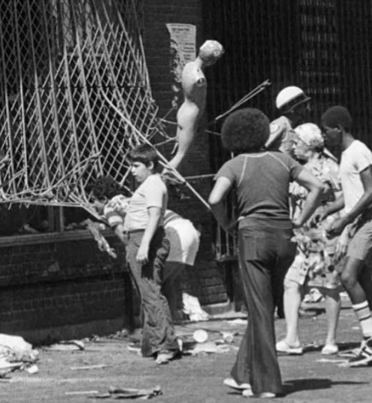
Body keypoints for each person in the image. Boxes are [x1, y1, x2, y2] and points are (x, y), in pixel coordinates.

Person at [209, 108, 325, 397]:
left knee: (260, 310)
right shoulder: (283, 160)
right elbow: (318, 186)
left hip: (253, 239)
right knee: (267, 308)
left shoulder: (235, 166)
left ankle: (267, 383)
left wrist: (226, 223)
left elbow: (214, 198)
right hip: (284, 238)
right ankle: (241, 374)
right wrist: (299, 220)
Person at [321, 105, 372, 366]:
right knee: (362, 277)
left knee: (346, 275)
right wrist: (330, 208)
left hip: (369, 220)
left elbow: (371, 192)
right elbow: (352, 196)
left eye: (327, 131)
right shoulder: (347, 154)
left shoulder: (358, 151)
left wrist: (345, 221)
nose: (325, 137)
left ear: (339, 128)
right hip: (359, 220)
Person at [89, 178, 201, 324]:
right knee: (165, 285)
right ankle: (168, 332)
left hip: (171, 233)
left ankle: (150, 338)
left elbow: (125, 237)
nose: (93, 205)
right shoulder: (129, 199)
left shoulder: (110, 207)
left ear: (103, 199)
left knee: (149, 290)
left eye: (94, 201)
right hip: (187, 230)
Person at [276, 123, 344, 357]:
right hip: (303, 239)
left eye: (298, 142)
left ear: (310, 143)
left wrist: (328, 216)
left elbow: (343, 198)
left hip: (325, 236)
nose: (294, 146)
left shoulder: (330, 167)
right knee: (291, 282)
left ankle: (331, 339)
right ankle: (292, 337)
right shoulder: (298, 169)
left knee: (329, 287)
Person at [121, 145, 181, 365]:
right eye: (130, 165)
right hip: (138, 239)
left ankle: (166, 345)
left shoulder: (154, 184)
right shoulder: (149, 184)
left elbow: (154, 215)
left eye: (136, 166)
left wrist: (145, 245)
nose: (132, 171)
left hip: (144, 239)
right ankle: (152, 344)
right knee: (149, 294)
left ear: (150, 165)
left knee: (151, 294)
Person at [168, 40, 224, 172]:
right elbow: (198, 84)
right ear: (212, 60)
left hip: (184, 110)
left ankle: (173, 181)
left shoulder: (189, 65)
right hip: (190, 116)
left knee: (176, 148)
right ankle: (161, 180)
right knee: (181, 155)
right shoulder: (199, 78)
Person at [268, 85, 311, 153]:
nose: (308, 109)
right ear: (293, 109)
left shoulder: (299, 126)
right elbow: (261, 149)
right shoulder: (280, 125)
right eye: (305, 105)